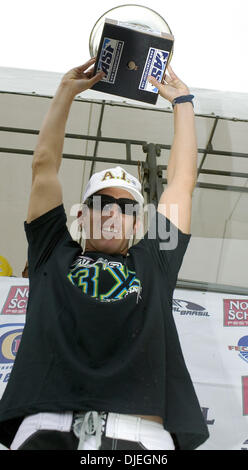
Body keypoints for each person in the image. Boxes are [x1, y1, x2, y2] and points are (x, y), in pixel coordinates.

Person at [0, 58, 209, 450]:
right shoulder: (50, 250)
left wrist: (182, 103)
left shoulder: (155, 260)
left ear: (138, 224)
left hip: (138, 438)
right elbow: (44, 166)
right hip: (45, 427)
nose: (113, 212)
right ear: (81, 215)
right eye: (101, 203)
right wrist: (65, 92)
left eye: (127, 207)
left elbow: (181, 182)